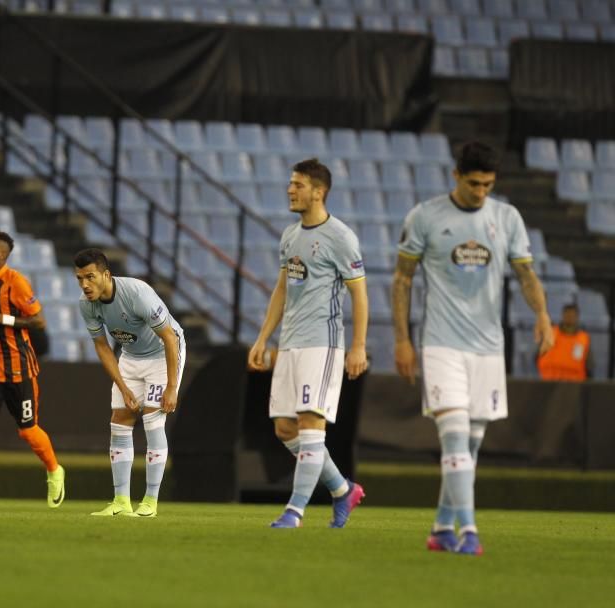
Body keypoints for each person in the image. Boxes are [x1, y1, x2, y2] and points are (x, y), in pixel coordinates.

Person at [392, 141, 553, 556]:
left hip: (487, 349)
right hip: (442, 345)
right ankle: (469, 533)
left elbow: (526, 275)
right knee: (455, 439)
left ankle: (442, 528)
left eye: (488, 185)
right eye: (474, 184)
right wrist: (402, 340)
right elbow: (402, 280)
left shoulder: (506, 217)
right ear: (456, 176)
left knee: (471, 447)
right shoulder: (425, 217)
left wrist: (543, 316)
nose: (481, 192)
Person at [247, 158, 369, 529]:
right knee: (285, 428)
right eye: (290, 183)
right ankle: (341, 489)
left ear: (319, 191)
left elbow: (360, 296)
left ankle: (295, 510)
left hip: (323, 343)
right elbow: (283, 288)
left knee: (311, 422)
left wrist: (358, 346)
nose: (290, 190)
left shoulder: (341, 237)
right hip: (290, 343)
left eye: (297, 185)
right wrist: (263, 338)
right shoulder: (290, 236)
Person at [0, 231, 65, 511]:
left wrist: (0, 318)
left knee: (28, 431)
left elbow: (38, 322)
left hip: (19, 368)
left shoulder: (16, 282)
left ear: (2, 254)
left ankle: (54, 469)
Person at [74, 248, 184, 517]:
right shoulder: (86, 304)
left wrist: (171, 387)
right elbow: (102, 347)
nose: (85, 285)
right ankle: (121, 502)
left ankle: (150, 502)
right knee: (119, 421)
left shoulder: (136, 293)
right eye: (79, 279)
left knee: (152, 420)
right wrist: (123, 387)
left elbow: (170, 338)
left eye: (90, 277)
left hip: (162, 353)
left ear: (106, 275)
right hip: (131, 356)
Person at [538, 303, 592, 381]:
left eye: (572, 315)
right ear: (563, 315)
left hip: (574, 386)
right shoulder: (550, 333)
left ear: (577, 317)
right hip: (548, 383)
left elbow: (589, 366)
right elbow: (537, 355)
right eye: (567, 315)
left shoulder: (584, 339)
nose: (569, 318)